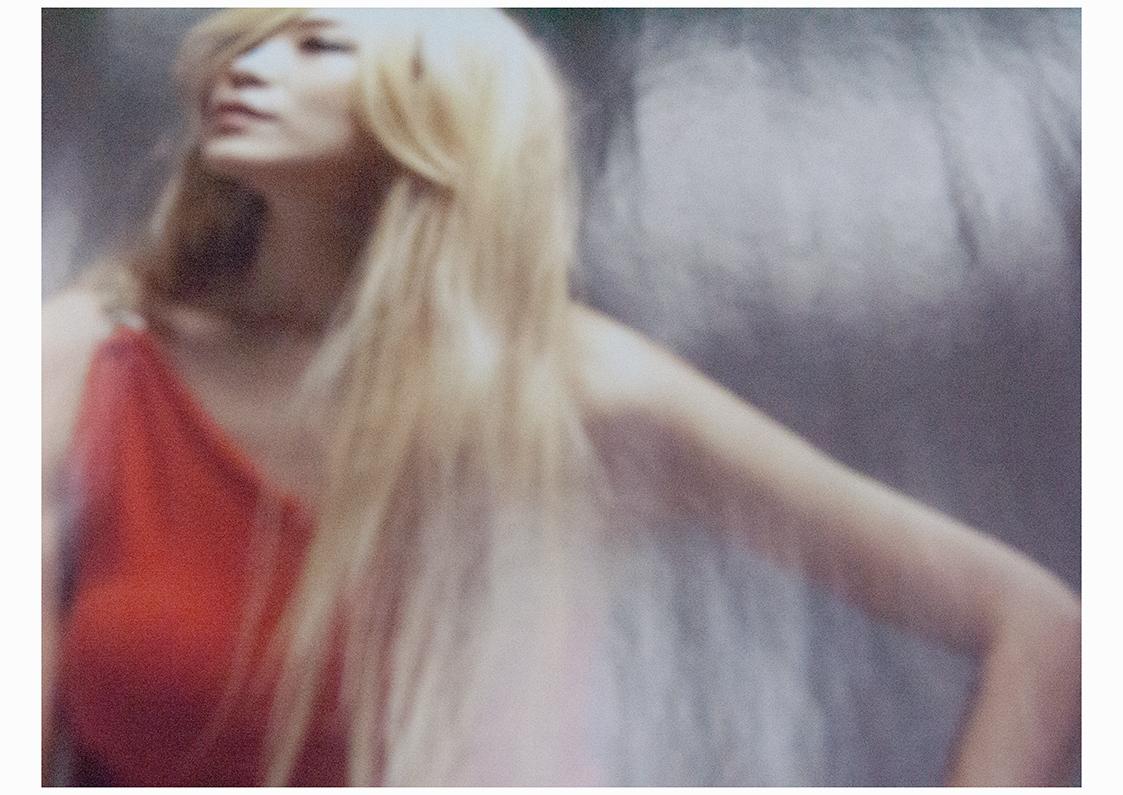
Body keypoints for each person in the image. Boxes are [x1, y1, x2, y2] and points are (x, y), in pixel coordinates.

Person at [42, 7, 1080, 787]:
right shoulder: (93, 360)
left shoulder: (576, 395)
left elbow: (1036, 626)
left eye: (319, 46)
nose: (246, 66)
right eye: (245, 44)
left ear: (443, 108)